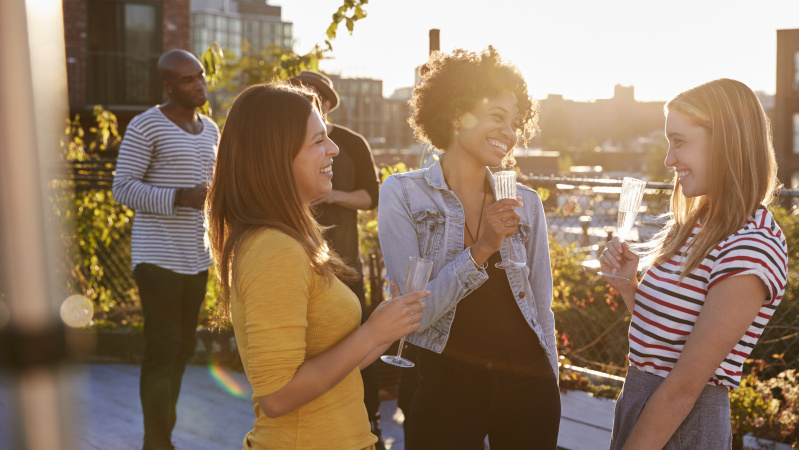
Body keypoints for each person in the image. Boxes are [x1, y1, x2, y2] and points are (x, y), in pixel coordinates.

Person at [205, 82, 428, 450]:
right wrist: (372, 333)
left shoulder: (290, 240)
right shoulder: (273, 248)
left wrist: (387, 327)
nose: (335, 149)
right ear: (277, 157)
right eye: (318, 140)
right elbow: (277, 395)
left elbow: (335, 367)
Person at [377, 47, 561, 449]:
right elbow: (415, 315)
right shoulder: (403, 194)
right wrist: (482, 249)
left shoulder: (526, 202)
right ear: (458, 114)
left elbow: (542, 306)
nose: (510, 133)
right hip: (444, 380)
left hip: (528, 382)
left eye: (515, 122)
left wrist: (551, 381)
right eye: (498, 117)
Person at [600, 78, 788, 449]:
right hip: (643, 404)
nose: (669, 160)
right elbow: (667, 344)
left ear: (726, 142)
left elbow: (685, 387)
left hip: (682, 425)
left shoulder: (752, 244)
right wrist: (628, 287)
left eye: (680, 142)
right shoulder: (696, 224)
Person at [112, 49, 218, 450]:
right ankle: (156, 442)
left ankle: (163, 436)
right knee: (163, 347)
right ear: (168, 85)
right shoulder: (146, 126)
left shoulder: (211, 130)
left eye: (201, 76)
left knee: (184, 346)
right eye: (188, 80)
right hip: (157, 256)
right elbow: (122, 188)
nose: (199, 84)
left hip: (197, 258)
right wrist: (179, 197)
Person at [288, 71, 385, 447]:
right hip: (303, 261)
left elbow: (371, 197)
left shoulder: (351, 143)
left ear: (326, 103)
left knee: (361, 340)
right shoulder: (287, 143)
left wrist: (333, 196)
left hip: (345, 262)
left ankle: (370, 414)